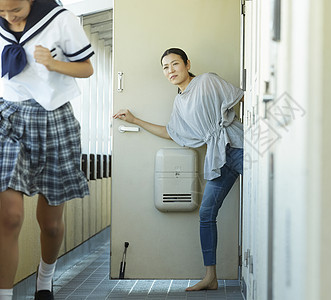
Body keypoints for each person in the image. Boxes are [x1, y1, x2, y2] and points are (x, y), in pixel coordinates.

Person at [113, 48, 244, 291]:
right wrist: (135, 121)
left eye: (175, 64)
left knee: (271, 200)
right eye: (165, 67)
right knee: (206, 214)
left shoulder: (207, 81)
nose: (170, 70)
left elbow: (242, 98)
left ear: (187, 64)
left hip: (237, 147)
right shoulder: (180, 101)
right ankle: (211, 277)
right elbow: (172, 132)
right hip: (218, 158)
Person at [0, 0, 94, 299]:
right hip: (8, 116)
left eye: (15, 10)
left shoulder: (61, 19)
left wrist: (53, 63)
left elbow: (87, 68)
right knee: (10, 216)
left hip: (53, 118)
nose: (9, 17)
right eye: (1, 12)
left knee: (50, 225)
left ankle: (45, 280)